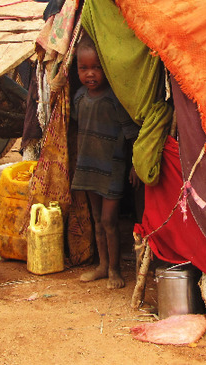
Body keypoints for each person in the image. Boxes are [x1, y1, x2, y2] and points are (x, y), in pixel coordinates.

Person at [72, 34, 139, 289]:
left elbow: (131, 134)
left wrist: (134, 165)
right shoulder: (79, 98)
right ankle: (101, 266)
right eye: (84, 68)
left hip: (111, 167)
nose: (90, 74)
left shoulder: (114, 99)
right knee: (97, 220)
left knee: (110, 221)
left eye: (96, 67)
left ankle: (114, 270)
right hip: (88, 167)